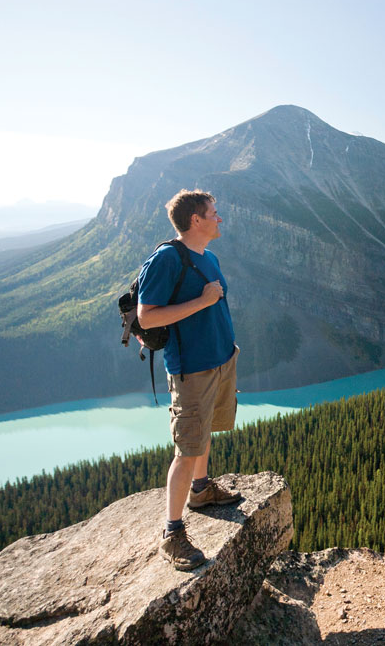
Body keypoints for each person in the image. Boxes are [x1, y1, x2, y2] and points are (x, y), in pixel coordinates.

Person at [137, 189, 241, 570]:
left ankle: (201, 490)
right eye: (214, 212)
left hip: (219, 359)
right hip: (191, 368)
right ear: (195, 220)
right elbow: (147, 317)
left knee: (204, 432)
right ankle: (172, 532)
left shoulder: (208, 256)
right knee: (187, 447)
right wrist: (203, 301)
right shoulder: (166, 259)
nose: (219, 218)